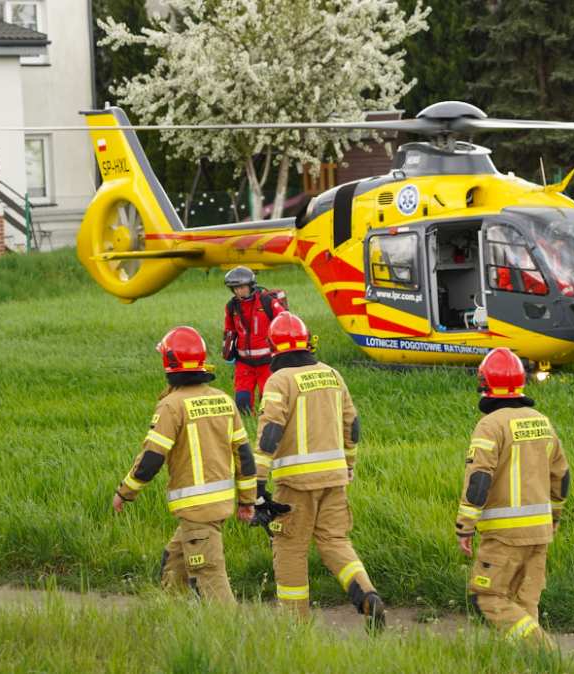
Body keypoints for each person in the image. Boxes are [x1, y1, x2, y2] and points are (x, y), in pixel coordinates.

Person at [253, 312, 386, 627]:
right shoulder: (332, 374)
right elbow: (352, 425)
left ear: (274, 346)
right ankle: (367, 596)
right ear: (306, 341)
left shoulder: (278, 380)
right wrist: (349, 464)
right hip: (335, 477)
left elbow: (270, 433)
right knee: (335, 541)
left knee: (289, 550)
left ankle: (293, 627)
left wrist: (257, 485)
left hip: (295, 484)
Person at [112, 326, 258, 604]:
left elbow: (152, 458)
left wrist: (125, 492)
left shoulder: (171, 405)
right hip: (219, 504)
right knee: (174, 567)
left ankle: (234, 638)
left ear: (169, 362)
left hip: (196, 508)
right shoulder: (224, 400)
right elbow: (245, 456)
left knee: (210, 576)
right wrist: (246, 501)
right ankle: (171, 621)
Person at [456, 348, 569, 646]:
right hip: (540, 531)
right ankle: (531, 664)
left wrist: (465, 526)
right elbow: (562, 474)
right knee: (523, 602)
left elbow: (479, 480)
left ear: (485, 383)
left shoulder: (490, 425)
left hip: (506, 534)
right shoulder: (540, 420)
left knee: (487, 598)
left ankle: (547, 653)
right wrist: (554, 517)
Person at [223, 266, 284, 414]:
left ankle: (264, 426)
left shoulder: (268, 303)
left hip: (267, 363)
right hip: (244, 364)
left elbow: (284, 322)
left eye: (242, 287)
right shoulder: (231, 306)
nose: (239, 292)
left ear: (251, 286)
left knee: (269, 405)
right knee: (242, 406)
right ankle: (247, 427)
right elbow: (229, 329)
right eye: (235, 288)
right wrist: (228, 352)